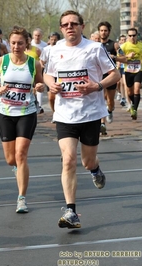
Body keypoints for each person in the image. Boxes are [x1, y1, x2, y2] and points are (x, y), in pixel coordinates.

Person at [44, 10, 120, 229]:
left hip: (90, 115)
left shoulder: (94, 49)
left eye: (74, 24)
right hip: (65, 114)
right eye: (65, 24)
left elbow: (115, 75)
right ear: (61, 28)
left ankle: (95, 169)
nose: (70, 27)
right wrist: (51, 83)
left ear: (82, 26)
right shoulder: (54, 49)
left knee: (87, 162)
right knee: (68, 160)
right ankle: (71, 211)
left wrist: (96, 86)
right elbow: (48, 73)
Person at [0, 27, 44, 213]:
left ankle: (21, 198)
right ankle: (18, 169)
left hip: (26, 112)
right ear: (8, 43)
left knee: (21, 155)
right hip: (5, 112)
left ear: (26, 43)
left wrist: (40, 86)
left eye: (20, 43)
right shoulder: (1, 61)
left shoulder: (33, 63)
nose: (16, 46)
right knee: (10, 159)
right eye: (13, 43)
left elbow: (40, 82)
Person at [98, 21, 121, 135]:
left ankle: (110, 110)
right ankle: (102, 124)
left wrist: (114, 57)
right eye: (101, 30)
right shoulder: (95, 45)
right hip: (99, 76)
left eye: (105, 30)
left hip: (111, 75)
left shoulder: (114, 45)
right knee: (101, 99)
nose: (103, 33)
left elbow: (125, 59)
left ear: (109, 32)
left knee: (110, 100)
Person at [119, 28, 142, 120]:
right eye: (130, 36)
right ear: (128, 36)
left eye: (134, 35)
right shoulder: (124, 46)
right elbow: (118, 58)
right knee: (129, 92)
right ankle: (134, 104)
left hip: (138, 70)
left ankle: (134, 110)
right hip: (128, 71)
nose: (132, 37)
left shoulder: (140, 45)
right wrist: (127, 56)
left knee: (137, 89)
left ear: (137, 36)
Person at [40, 32, 60, 115]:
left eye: (55, 39)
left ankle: (60, 114)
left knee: (59, 96)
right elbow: (42, 61)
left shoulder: (62, 48)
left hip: (59, 74)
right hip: (49, 74)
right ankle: (55, 113)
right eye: (52, 39)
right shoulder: (46, 49)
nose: (53, 41)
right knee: (51, 97)